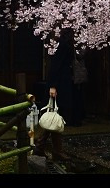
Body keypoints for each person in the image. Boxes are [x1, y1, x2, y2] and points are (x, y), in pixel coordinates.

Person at [33, 28, 74, 161]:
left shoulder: (65, 43)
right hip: (59, 84)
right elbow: (55, 65)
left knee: (56, 115)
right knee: (54, 115)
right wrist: (53, 85)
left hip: (62, 83)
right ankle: (46, 147)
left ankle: (44, 148)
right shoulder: (62, 44)